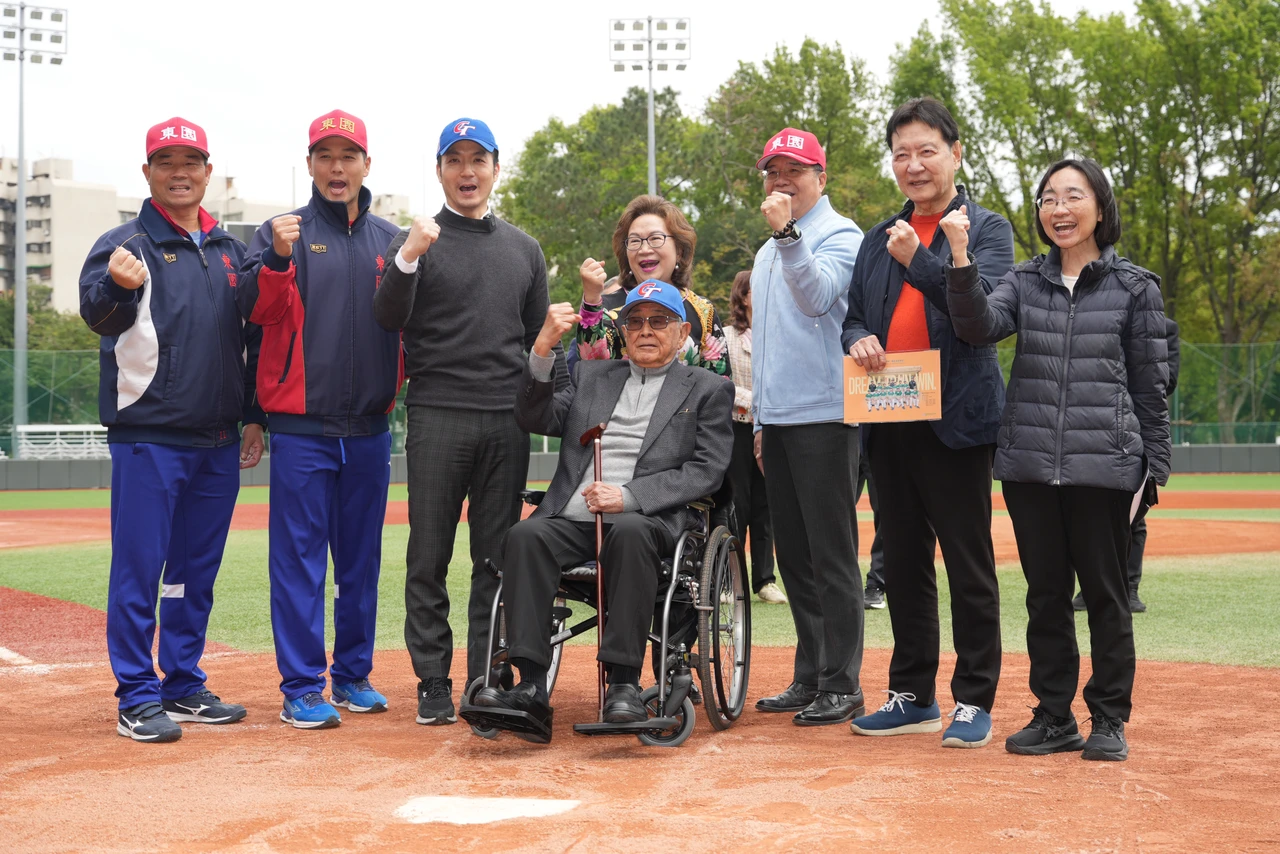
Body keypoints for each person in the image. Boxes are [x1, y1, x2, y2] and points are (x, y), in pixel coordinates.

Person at [944, 157, 1171, 762]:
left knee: (1105, 597)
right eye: (1048, 198)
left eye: (1073, 195)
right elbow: (978, 327)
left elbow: (1151, 385)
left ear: (1100, 206)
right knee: (1044, 597)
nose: (1059, 209)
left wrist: (1154, 467)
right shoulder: (1023, 281)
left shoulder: (1136, 288)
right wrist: (961, 258)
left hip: (1105, 467)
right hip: (1030, 467)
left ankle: (1109, 718)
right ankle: (1053, 716)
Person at [471, 281, 734, 742]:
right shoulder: (593, 377)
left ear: (682, 332)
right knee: (524, 537)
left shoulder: (709, 388)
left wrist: (629, 496)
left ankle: (624, 686)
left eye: (659, 321)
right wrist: (542, 350)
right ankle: (530, 687)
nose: (646, 330)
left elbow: (706, 470)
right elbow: (536, 418)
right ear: (623, 332)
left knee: (630, 531)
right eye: (635, 321)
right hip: (575, 517)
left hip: (650, 520)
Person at [375, 117, 567, 727]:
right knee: (428, 555)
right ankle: (433, 678)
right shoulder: (415, 241)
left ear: (495, 169)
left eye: (477, 160)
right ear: (439, 171)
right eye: (454, 160)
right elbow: (386, 316)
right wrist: (409, 255)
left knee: (496, 559)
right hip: (437, 413)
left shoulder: (524, 249)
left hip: (507, 419)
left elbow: (539, 342)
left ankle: (486, 675)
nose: (467, 171)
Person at [80, 117, 264, 743]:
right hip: (149, 437)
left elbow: (251, 340)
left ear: (209, 172)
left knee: (193, 573)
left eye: (191, 162)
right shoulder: (123, 245)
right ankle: (136, 694)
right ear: (148, 172)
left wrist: (254, 415)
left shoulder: (231, 250)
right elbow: (99, 318)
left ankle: (182, 683)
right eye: (166, 162)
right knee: (139, 571)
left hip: (218, 441)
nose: (179, 173)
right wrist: (116, 286)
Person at [842, 98, 1014, 748]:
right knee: (904, 564)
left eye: (926, 151)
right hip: (887, 417)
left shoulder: (986, 229)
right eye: (901, 154)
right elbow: (854, 316)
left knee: (968, 564)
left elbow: (980, 316)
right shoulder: (877, 237)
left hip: (958, 420)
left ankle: (973, 700)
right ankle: (912, 695)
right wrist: (856, 338)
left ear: (955, 153)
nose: (913, 165)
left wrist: (919, 257)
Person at [238, 110, 403, 729]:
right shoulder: (280, 232)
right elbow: (252, 313)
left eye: (348, 156)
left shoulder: (392, 241)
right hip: (302, 430)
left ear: (366, 164)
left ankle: (353, 676)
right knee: (299, 564)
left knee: (360, 562)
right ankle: (302, 687)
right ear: (309, 164)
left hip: (370, 431)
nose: (337, 168)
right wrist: (278, 258)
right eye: (325, 156)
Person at [749, 127, 867, 727]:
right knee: (794, 557)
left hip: (826, 416)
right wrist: (760, 420)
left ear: (821, 177)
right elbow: (766, 343)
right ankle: (812, 672)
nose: (782, 180)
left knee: (831, 555)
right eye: (773, 171)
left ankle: (843, 683)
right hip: (780, 420)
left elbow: (818, 297)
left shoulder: (841, 235)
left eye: (794, 170)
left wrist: (788, 236)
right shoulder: (767, 249)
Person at [1073, 315, 1179, 613]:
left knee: (1134, 512)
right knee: (1086, 510)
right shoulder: (1093, 319)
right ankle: (1091, 587)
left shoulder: (1165, 328)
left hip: (1137, 429)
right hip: (1093, 425)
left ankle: (1129, 587)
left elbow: (1168, 381)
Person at [575, 195, 730, 377]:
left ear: (679, 250)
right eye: (635, 241)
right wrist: (592, 299)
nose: (644, 249)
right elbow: (592, 364)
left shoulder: (703, 311)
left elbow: (720, 382)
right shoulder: (605, 308)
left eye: (656, 238)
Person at [723, 271, 785, 604]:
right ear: (743, 296)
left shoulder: (777, 334)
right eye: (756, 289)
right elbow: (722, 383)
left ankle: (765, 580)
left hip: (771, 427)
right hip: (736, 428)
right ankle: (730, 579)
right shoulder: (726, 337)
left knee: (767, 505)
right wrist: (757, 401)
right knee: (738, 503)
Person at [856, 454, 887, 610]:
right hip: (843, 443)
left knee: (885, 513)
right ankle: (832, 582)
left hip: (876, 445)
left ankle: (876, 584)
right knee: (833, 510)